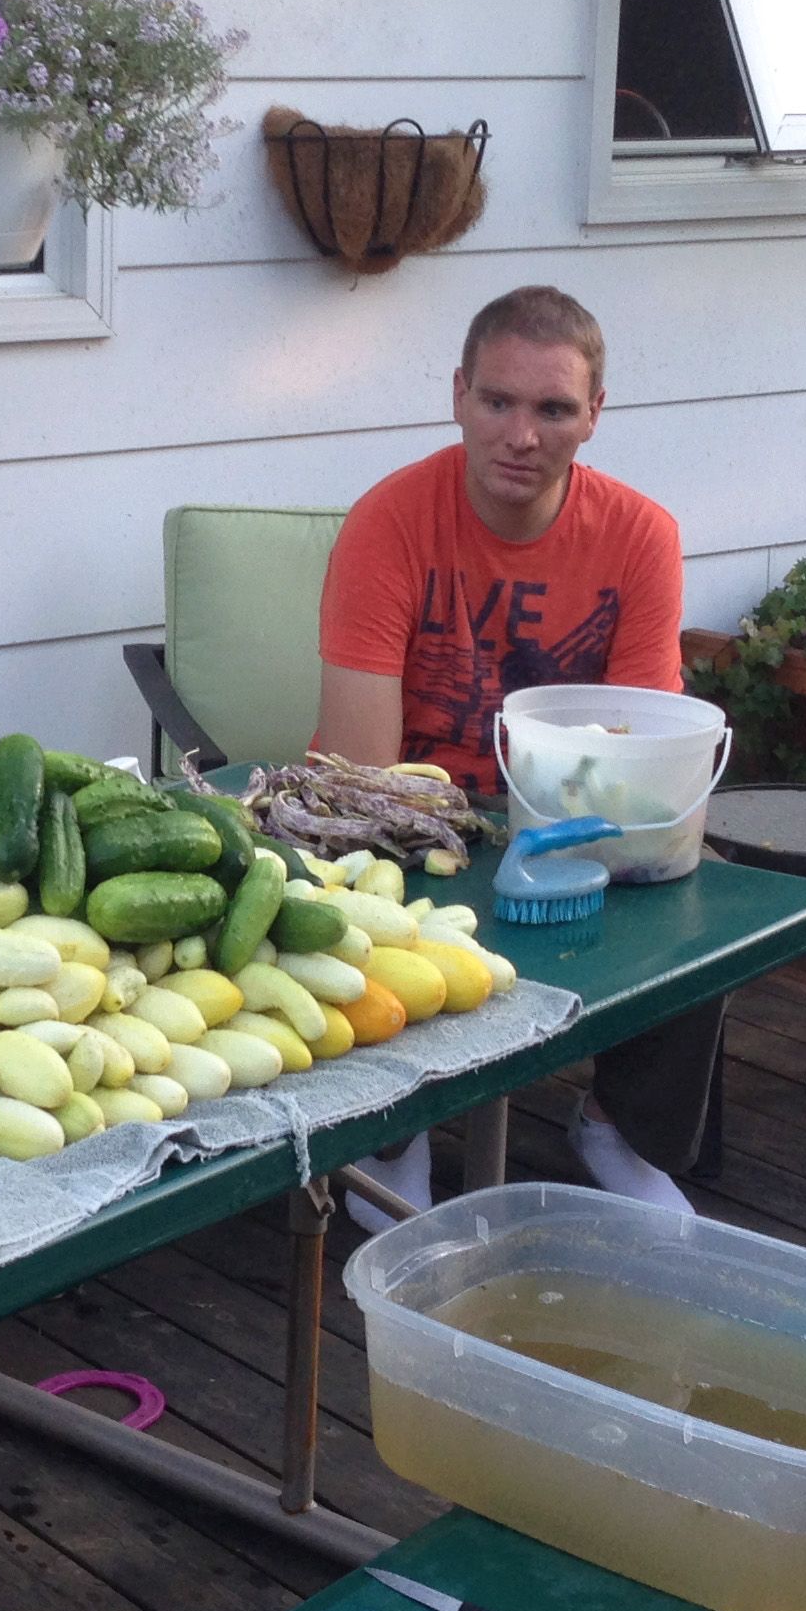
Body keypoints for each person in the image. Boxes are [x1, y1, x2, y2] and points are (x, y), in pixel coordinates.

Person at [312, 284, 717, 1220]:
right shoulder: (390, 522)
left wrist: (560, 841)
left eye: (553, 409)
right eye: (498, 402)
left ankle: (619, 1125)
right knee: (354, 883)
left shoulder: (640, 536)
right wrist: (464, 844)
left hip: (572, 819)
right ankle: (388, 1132)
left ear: (594, 417)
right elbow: (362, 778)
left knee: (697, 890)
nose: (520, 435)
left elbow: (641, 754)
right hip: (409, 817)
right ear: (459, 395)